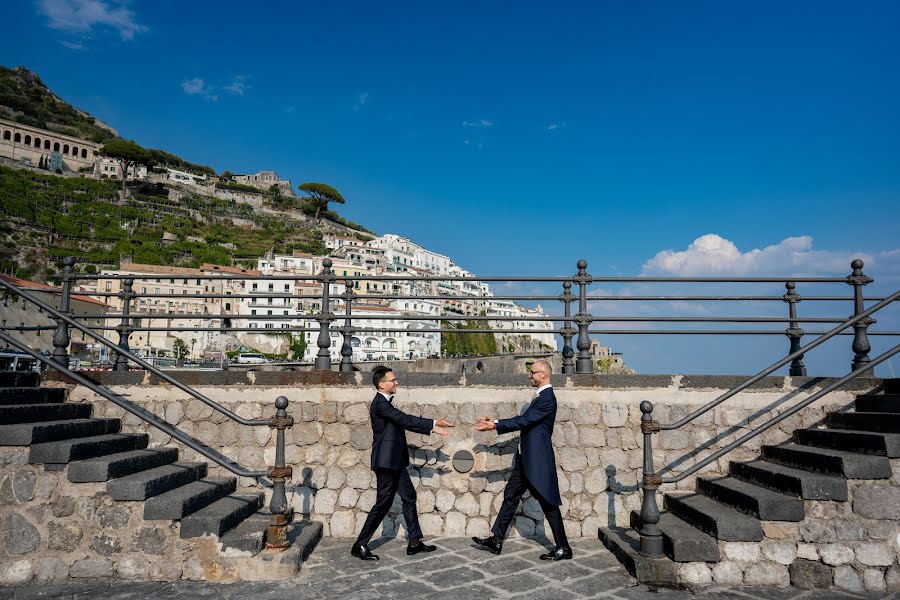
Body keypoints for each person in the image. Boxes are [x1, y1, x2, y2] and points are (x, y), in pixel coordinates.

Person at [472, 359, 572, 561]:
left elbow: (525, 421)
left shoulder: (547, 398)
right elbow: (525, 422)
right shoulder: (540, 397)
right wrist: (496, 423)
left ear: (543, 375)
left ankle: (563, 548)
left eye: (533, 372)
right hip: (525, 458)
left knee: (548, 503)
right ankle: (496, 540)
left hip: (537, 461)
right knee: (511, 496)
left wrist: (495, 426)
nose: (530, 375)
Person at [351, 366, 454, 561]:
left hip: (396, 461)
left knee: (409, 496)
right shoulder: (380, 404)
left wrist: (431, 427)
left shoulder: (385, 403)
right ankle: (360, 544)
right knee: (383, 503)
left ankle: (414, 541)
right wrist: (432, 425)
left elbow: (402, 421)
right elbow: (404, 419)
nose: (396, 382)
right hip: (386, 462)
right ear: (382, 384)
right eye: (393, 380)